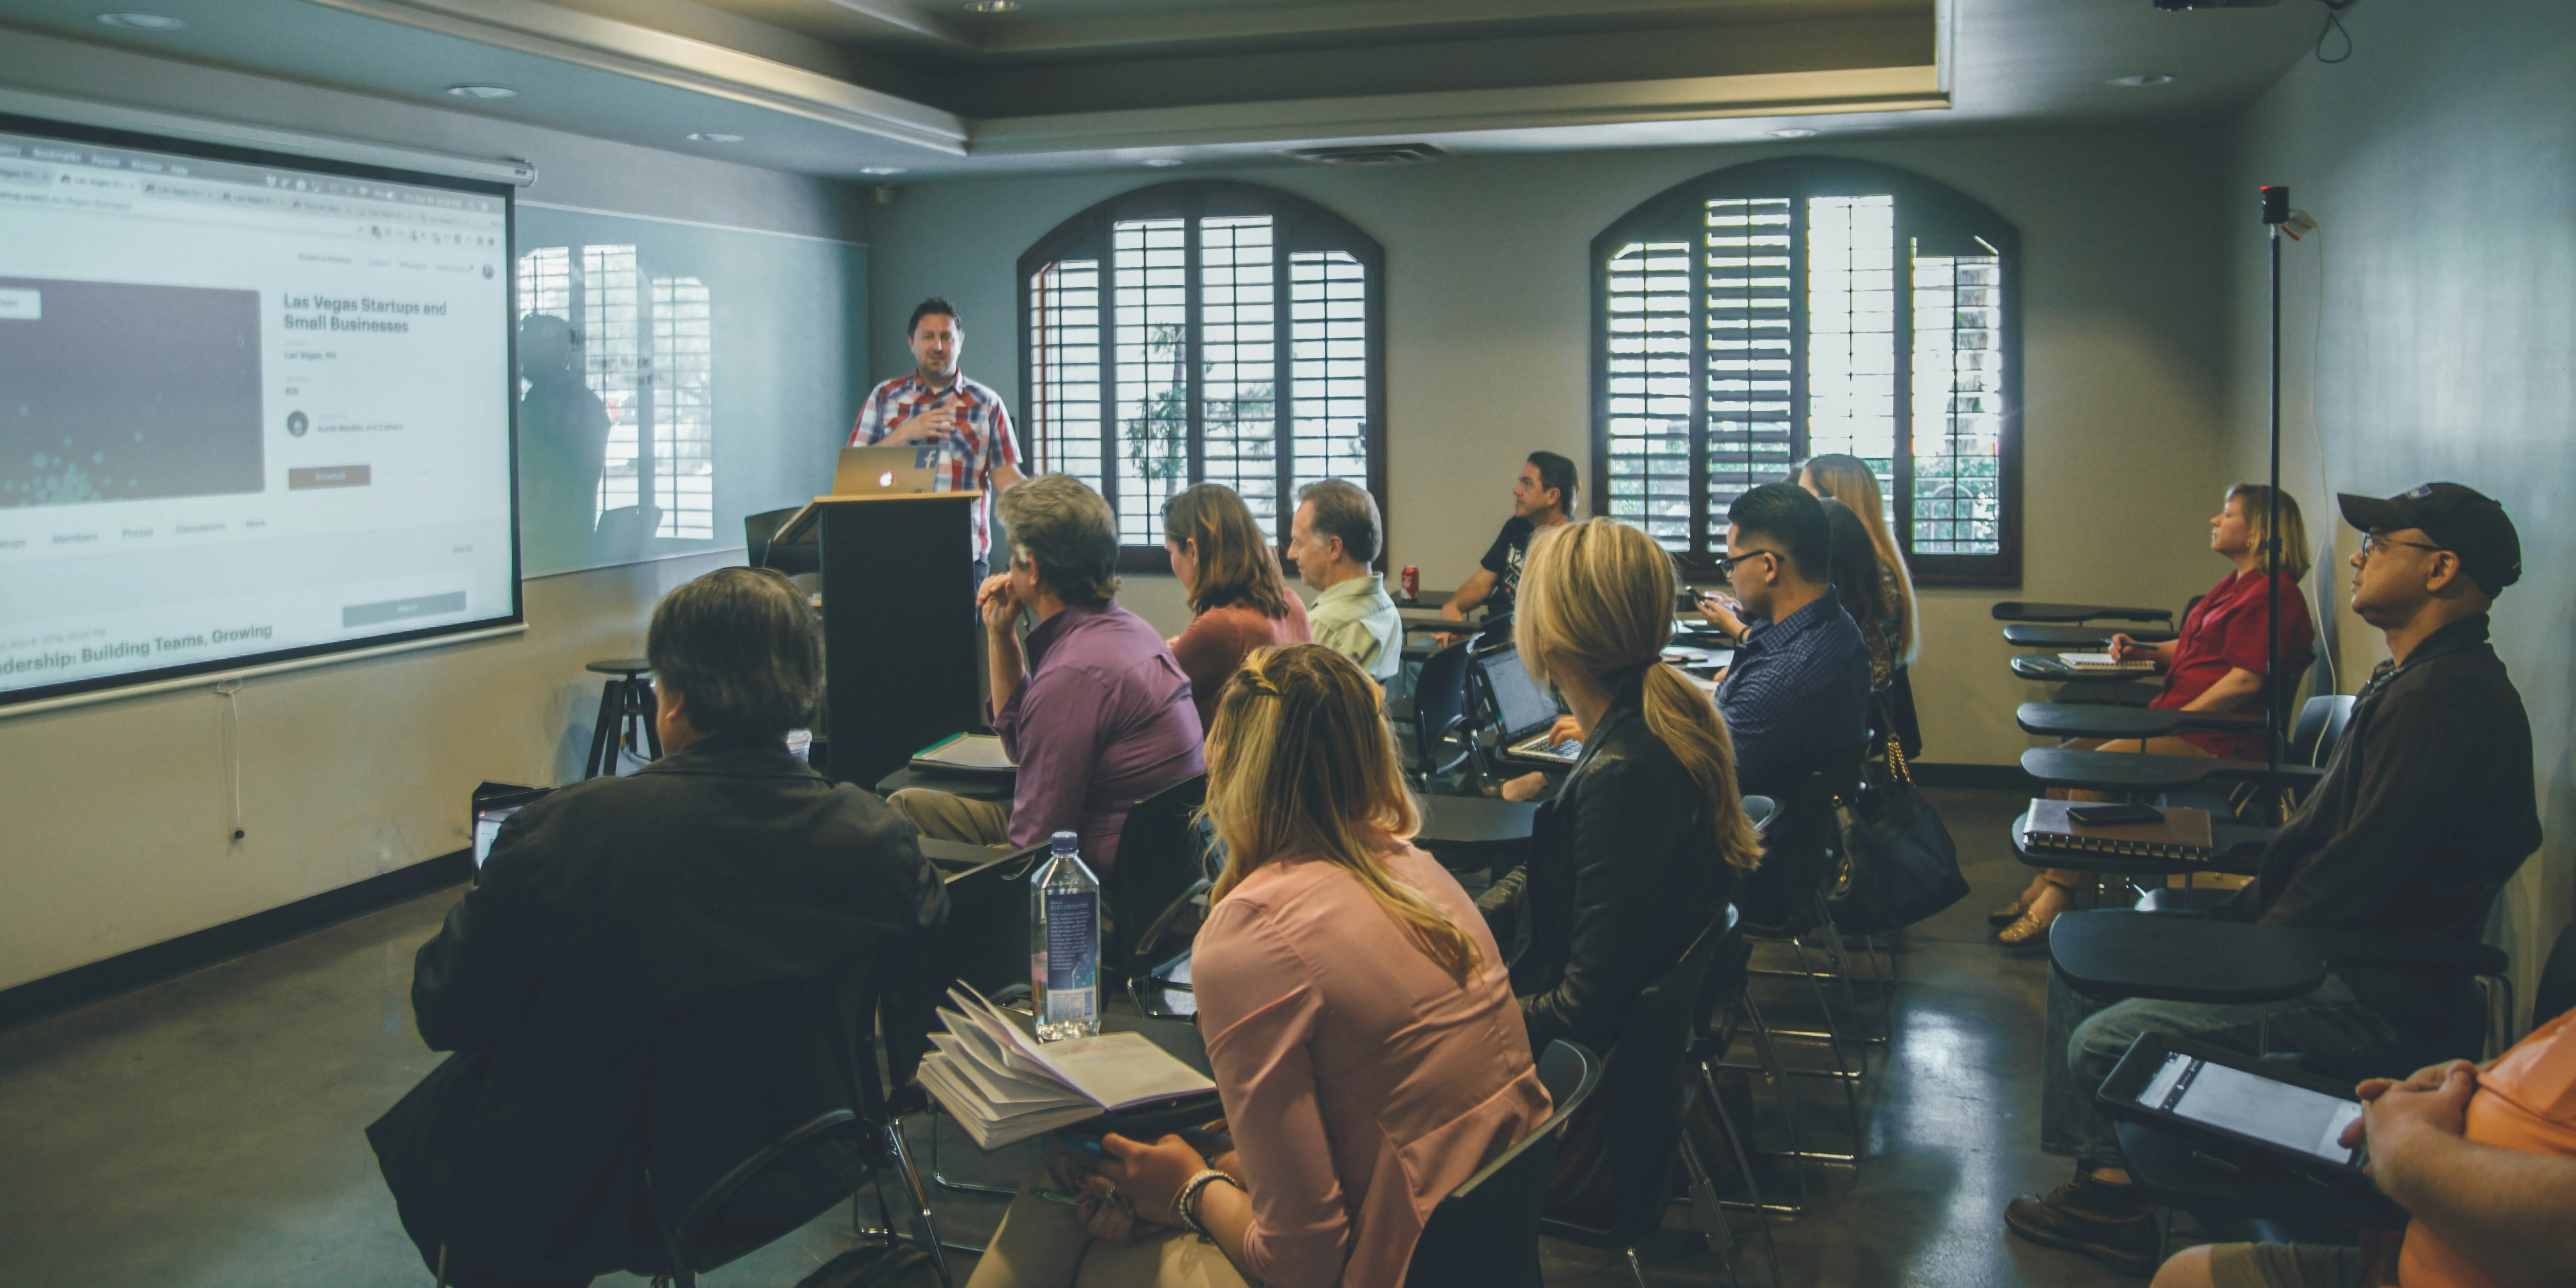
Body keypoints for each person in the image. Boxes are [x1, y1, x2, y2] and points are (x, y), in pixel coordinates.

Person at [2004, 482, 2540, 1279]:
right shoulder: (2412, 681)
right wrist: (2221, 931)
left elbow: (2354, 882)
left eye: (2380, 543)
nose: (2357, 556)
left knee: (2104, 1038)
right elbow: (2323, 852)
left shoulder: (2445, 704)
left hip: (2364, 985)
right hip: (2315, 943)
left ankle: (2119, 1199)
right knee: (2081, 953)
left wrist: (2231, 950)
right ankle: (2110, 1185)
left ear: (2442, 569)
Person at [366, 567, 947, 1288]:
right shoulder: (872, 836)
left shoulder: (564, 835)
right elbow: (925, 924)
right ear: (806, 692)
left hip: (602, 1193)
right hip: (808, 1150)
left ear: (670, 701)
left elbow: (445, 1007)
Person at [963, 645, 1551, 1288]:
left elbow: (1303, 1263)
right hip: (1463, 1244)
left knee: (1080, 1216)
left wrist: (1189, 1189)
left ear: (1229, 772)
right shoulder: (1420, 872)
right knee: (1090, 1177)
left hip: (1391, 1259)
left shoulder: (1254, 935)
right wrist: (1209, 1176)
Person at [1477, 518, 1765, 1061]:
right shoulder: (1654, 724)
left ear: (1547, 636)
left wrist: (1455, 1018)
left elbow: (1582, 1011)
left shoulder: (1624, 775)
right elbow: (1560, 870)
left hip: (1581, 1085)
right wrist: (1464, 921)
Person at [1989, 484, 2318, 947]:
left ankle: (2060, 894)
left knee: (2094, 768)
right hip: (2184, 724)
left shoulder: (2273, 597)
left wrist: (2176, 719)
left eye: (2227, 514)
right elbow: (2189, 649)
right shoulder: (2236, 587)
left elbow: (2247, 680)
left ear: (2259, 531)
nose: (2214, 521)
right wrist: (2137, 649)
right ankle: (2046, 881)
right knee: (2066, 760)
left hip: (2214, 741)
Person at [890, 474, 1202, 873]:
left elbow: (1033, 850)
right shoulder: (1131, 632)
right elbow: (1025, 747)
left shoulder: (1074, 676)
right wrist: (1001, 636)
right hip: (1150, 874)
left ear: (1032, 569)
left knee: (904, 857)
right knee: (906, 807)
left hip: (1087, 891)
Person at [2149, 1004, 2576, 1288]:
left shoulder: (2407, 1151)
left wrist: (2406, 1145)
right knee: (2186, 1276)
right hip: (2411, 1254)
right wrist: (2466, 1081)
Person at [1707, 482, 1872, 800]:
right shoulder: (1830, 621)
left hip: (1751, 834)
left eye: (1732, 564)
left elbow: (1706, 776)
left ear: (1768, 566)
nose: (1730, 577)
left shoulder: (1785, 674)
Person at [849, 297, 1027, 580]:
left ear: (960, 342)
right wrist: (907, 433)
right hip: (892, 552)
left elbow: (1005, 475)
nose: (938, 346)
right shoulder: (885, 396)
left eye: (947, 337)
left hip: (964, 555)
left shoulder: (986, 403)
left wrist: (1047, 508)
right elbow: (854, 472)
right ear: (912, 342)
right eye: (928, 337)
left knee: (959, 628)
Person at [1161, 482, 1311, 731]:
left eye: (1171, 552)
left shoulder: (1220, 626)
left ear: (1192, 550)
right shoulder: (1292, 603)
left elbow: (1146, 701)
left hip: (1229, 767)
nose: (1173, 563)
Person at [1438, 450, 1577, 637]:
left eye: (1526, 484)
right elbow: (1481, 585)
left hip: (1521, 652)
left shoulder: (1573, 546)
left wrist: (1473, 644)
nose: (1516, 490)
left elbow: (1549, 629)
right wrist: (1452, 608)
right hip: (1487, 637)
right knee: (1419, 658)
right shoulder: (1517, 527)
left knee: (1420, 666)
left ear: (1552, 496)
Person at [1286, 478, 1402, 685]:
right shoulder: (1386, 608)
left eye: (1300, 543)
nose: (1290, 553)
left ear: (1334, 548)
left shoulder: (1324, 626)